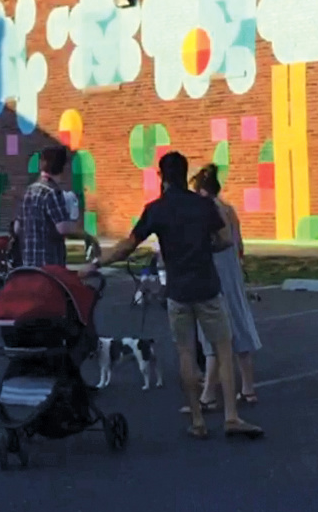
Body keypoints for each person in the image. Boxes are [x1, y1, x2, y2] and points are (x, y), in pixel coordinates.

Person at [79, 152, 261, 440]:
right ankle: (231, 417)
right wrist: (202, 248)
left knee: (186, 353)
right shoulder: (203, 205)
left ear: (160, 177)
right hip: (208, 288)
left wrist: (97, 263)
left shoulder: (156, 209)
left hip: (177, 291)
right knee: (223, 349)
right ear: (185, 173)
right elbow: (225, 240)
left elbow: (128, 246)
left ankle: (198, 421)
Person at [190, 164, 263, 409]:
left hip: (214, 277)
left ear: (201, 191)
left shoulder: (207, 212)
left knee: (212, 335)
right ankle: (248, 388)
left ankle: (208, 394)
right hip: (232, 276)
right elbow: (239, 244)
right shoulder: (230, 210)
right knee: (239, 327)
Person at [16, 147, 83, 267]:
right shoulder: (52, 192)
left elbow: (17, 227)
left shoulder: (28, 191)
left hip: (28, 263)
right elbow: (63, 228)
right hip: (50, 264)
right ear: (62, 168)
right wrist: (77, 224)